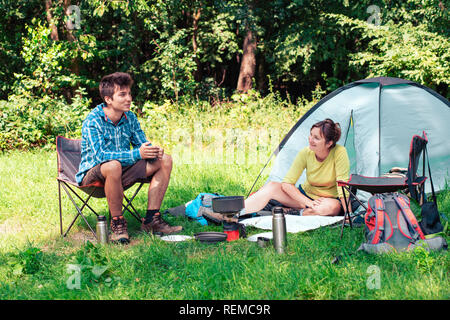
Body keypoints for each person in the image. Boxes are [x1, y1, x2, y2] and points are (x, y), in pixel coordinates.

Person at [75, 72, 182, 243]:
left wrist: (153, 151)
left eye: (129, 94)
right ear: (108, 99)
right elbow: (100, 156)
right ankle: (117, 225)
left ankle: (151, 220)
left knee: (165, 160)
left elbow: (142, 143)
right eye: (122, 94)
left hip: (123, 172)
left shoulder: (130, 117)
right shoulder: (93, 121)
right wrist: (137, 153)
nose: (129, 99)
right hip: (94, 176)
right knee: (113, 165)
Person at [244, 118, 350, 216]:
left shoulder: (339, 152)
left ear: (329, 143)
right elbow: (287, 183)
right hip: (304, 197)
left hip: (326, 200)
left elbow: (342, 186)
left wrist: (349, 214)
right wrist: (308, 202)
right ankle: (235, 213)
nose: (310, 140)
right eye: (311, 135)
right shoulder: (306, 152)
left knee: (332, 208)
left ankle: (292, 212)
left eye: (316, 138)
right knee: (271, 186)